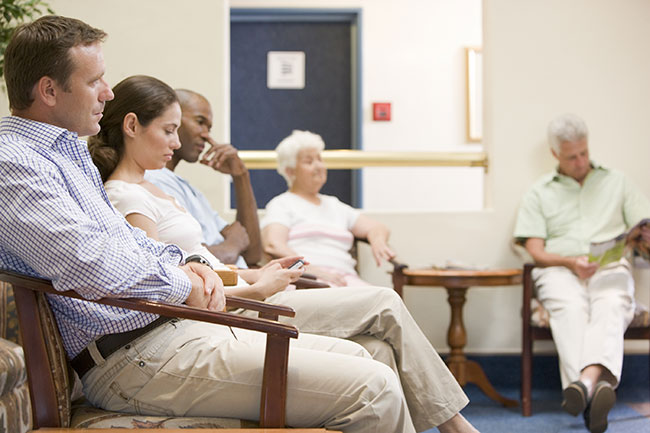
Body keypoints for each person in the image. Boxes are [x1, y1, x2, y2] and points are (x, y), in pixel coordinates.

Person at [0, 16, 472, 433]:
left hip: (163, 330)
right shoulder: (15, 162)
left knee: (371, 359)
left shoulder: (62, 154)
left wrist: (186, 263)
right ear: (48, 90)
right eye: (96, 80)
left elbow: (127, 244)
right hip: (131, 357)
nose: (107, 90)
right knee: (374, 387)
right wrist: (186, 279)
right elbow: (91, 262)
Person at [89, 78, 478, 433]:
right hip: (199, 323)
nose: (176, 142)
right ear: (132, 126)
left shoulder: (158, 190)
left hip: (220, 305)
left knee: (374, 348)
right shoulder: (127, 195)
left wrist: (253, 275)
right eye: (169, 131)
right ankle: (454, 425)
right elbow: (165, 293)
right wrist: (257, 289)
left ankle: (448, 423)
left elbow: (196, 267)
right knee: (383, 305)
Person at [513, 113, 650, 433]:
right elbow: (535, 250)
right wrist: (570, 263)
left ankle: (584, 386)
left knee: (613, 302)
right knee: (570, 309)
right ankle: (595, 394)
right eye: (572, 156)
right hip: (560, 269)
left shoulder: (617, 181)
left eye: (584, 153)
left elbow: (642, 227)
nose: (580, 161)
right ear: (554, 155)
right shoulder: (539, 192)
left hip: (609, 266)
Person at [261, 130, 395, 287]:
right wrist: (314, 271)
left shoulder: (335, 205)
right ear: (290, 171)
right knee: (382, 300)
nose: (318, 166)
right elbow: (273, 244)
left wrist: (377, 240)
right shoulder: (282, 204)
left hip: (344, 279)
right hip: (307, 281)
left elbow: (377, 227)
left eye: (319, 159)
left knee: (388, 299)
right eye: (309, 161)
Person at [144, 88, 260, 268]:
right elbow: (189, 258)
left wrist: (241, 176)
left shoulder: (188, 189)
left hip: (247, 283)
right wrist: (232, 245)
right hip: (226, 291)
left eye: (209, 127)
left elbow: (252, 253)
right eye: (200, 122)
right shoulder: (154, 180)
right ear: (173, 119)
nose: (206, 135)